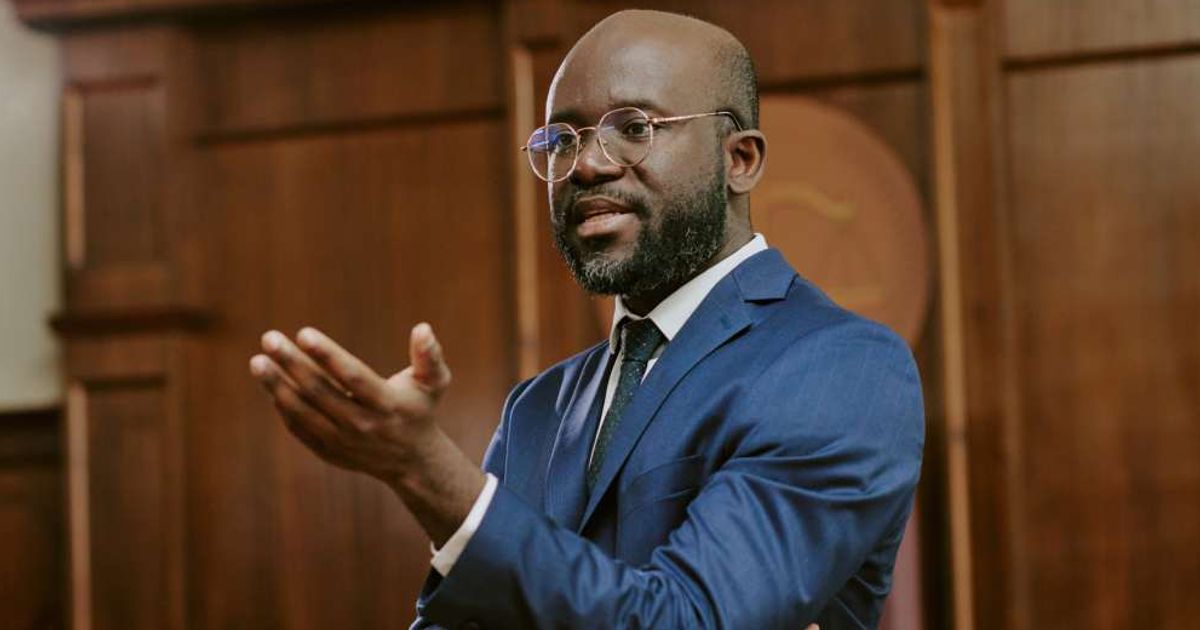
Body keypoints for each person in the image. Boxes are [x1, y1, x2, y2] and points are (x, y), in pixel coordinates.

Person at [249, 9, 923, 629]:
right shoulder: (536, 411)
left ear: (737, 160)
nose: (587, 165)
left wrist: (430, 473)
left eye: (633, 128)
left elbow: (684, 621)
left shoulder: (841, 366)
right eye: (561, 139)